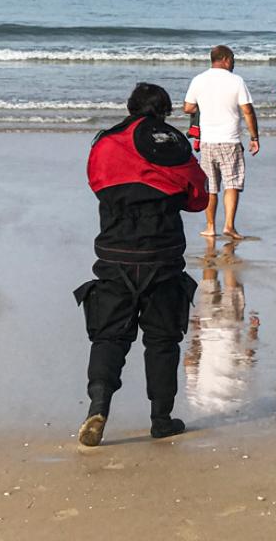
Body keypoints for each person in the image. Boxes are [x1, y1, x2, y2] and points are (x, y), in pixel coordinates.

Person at [73, 82, 208, 447]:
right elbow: (198, 197)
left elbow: (96, 183)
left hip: (114, 255)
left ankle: (98, 407)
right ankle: (161, 420)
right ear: (164, 111)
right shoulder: (172, 143)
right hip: (162, 257)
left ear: (130, 107)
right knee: (163, 340)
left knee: (108, 336)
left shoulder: (105, 142)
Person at [182, 45, 260, 239]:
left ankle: (210, 227)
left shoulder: (199, 80)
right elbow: (248, 111)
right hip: (230, 140)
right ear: (225, 59)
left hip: (208, 141)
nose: (233, 63)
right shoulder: (236, 81)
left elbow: (188, 107)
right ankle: (229, 226)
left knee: (211, 186)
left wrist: (205, 106)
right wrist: (254, 137)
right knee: (232, 184)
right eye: (232, 59)